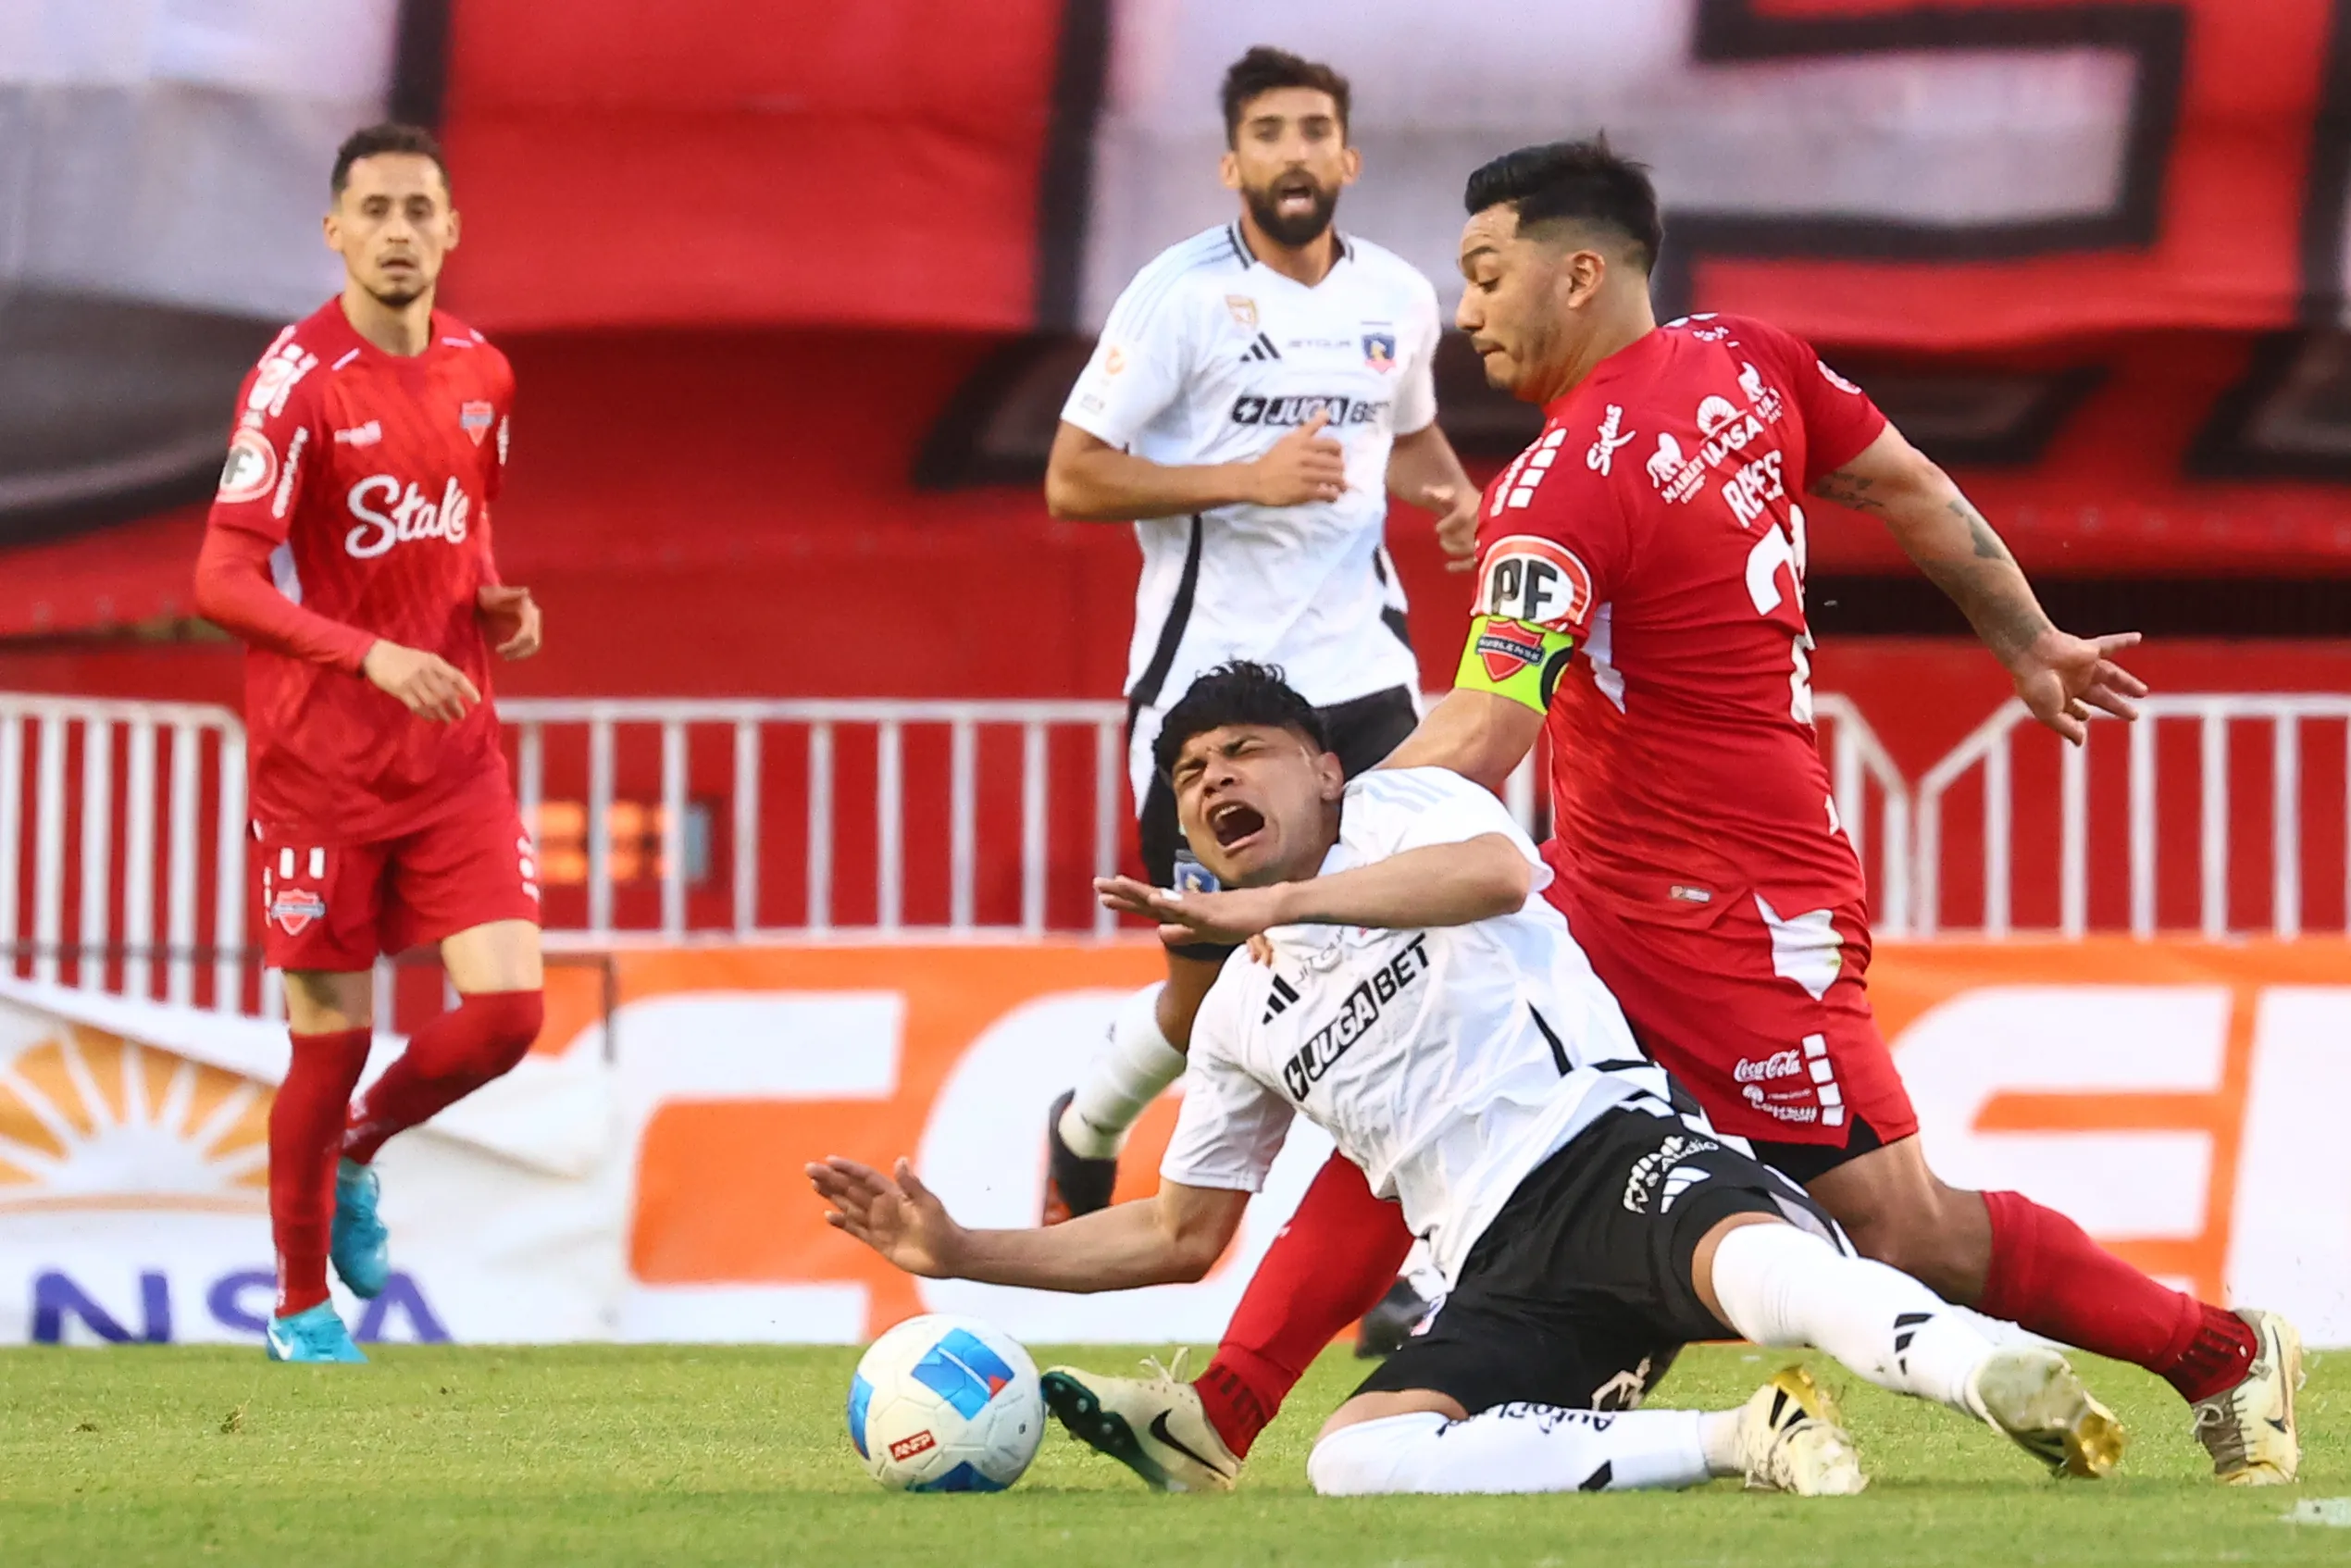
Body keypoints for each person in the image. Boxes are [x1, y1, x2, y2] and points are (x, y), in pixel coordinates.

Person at [1111, 139, 2300, 1486]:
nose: (1468, 313)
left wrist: (1324, 815)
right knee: (1415, 1071)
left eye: (1487, 276)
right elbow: (1905, 481)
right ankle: (1221, 1408)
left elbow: (1490, 729)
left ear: (1578, 272)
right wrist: (2026, 639)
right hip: (1607, 889)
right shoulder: (1753, 357)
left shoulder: (1560, 490)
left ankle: (2222, 1351)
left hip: (1739, 907)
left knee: (1902, 1228)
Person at [813, 663, 2124, 1497]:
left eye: (1245, 752)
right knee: (1354, 1456)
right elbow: (1177, 1231)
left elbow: (1502, 879)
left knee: (1769, 1274)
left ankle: (1995, 1371)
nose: (1212, 778)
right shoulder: (1240, 1009)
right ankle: (1745, 1438)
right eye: (1188, 771)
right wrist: (962, 1245)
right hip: (1495, 1266)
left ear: (1326, 767)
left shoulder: (1414, 807)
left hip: (1606, 1150)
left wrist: (1284, 895)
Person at [1039, 45, 1478, 1345]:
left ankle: (1407, 1272)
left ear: (1347, 156)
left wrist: (1450, 493)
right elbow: (1074, 476)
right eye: (1270, 134)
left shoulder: (1398, 296)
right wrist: (1241, 477)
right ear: (1233, 165)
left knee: (1426, 959)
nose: (1295, 153)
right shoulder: (1177, 300)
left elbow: (1400, 432)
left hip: (1368, 685)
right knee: (1212, 995)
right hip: (1210, 701)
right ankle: (1090, 1117)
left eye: (1316, 131)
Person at [191, 123, 545, 1363]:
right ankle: (297, 1308)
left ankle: (359, 1145)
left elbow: (468, 529)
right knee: (326, 1037)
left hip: (453, 755)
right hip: (320, 767)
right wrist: (370, 653)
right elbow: (221, 577)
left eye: (419, 211)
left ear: (452, 231)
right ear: (335, 231)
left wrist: (493, 600)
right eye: (375, 211)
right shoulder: (296, 383)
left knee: (509, 1012)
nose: (398, 232)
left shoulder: (484, 373)